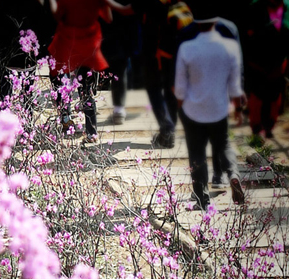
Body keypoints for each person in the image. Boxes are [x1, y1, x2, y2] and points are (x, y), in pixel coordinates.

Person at [174, 16, 246, 209]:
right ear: (216, 22)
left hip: (193, 109)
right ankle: (233, 175)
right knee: (224, 145)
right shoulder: (229, 47)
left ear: (197, 22)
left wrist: (180, 108)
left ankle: (201, 198)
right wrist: (238, 109)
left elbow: (180, 88)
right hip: (219, 108)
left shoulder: (187, 48)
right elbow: (235, 84)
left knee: (196, 153)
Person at [107, 0, 190, 148]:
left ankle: (167, 130)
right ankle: (168, 131)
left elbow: (126, 10)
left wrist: (108, 3)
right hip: (175, 50)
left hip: (154, 50)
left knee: (154, 89)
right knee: (170, 89)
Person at [47, 0, 112, 143]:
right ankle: (91, 132)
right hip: (87, 44)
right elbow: (108, 18)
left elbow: (57, 15)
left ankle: (66, 119)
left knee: (62, 83)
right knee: (86, 89)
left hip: (67, 42)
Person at [0, 0, 57, 109]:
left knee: (5, 96)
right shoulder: (35, 6)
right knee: (27, 97)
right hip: (28, 59)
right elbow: (46, 32)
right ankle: (27, 121)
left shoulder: (3, 6)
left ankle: (5, 120)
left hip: (7, 58)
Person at [240, 0, 289, 141]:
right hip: (256, 63)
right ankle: (256, 128)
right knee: (256, 95)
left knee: (275, 95)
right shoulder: (255, 7)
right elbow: (246, 35)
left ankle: (269, 127)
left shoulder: (287, 7)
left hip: (280, 64)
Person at [100, 0, 140, 125]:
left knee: (119, 64)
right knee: (119, 65)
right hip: (112, 27)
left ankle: (118, 108)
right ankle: (118, 108)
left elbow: (131, 8)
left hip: (121, 28)